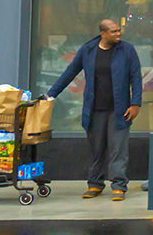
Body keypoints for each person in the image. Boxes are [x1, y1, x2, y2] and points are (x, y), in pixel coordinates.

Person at [47, 18, 142, 201]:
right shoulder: (88, 50)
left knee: (118, 150)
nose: (118, 34)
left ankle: (118, 186)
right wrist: (51, 95)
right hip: (95, 109)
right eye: (113, 31)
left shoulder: (127, 50)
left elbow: (135, 77)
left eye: (119, 30)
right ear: (103, 33)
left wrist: (135, 104)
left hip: (119, 109)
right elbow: (70, 73)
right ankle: (95, 184)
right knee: (96, 149)